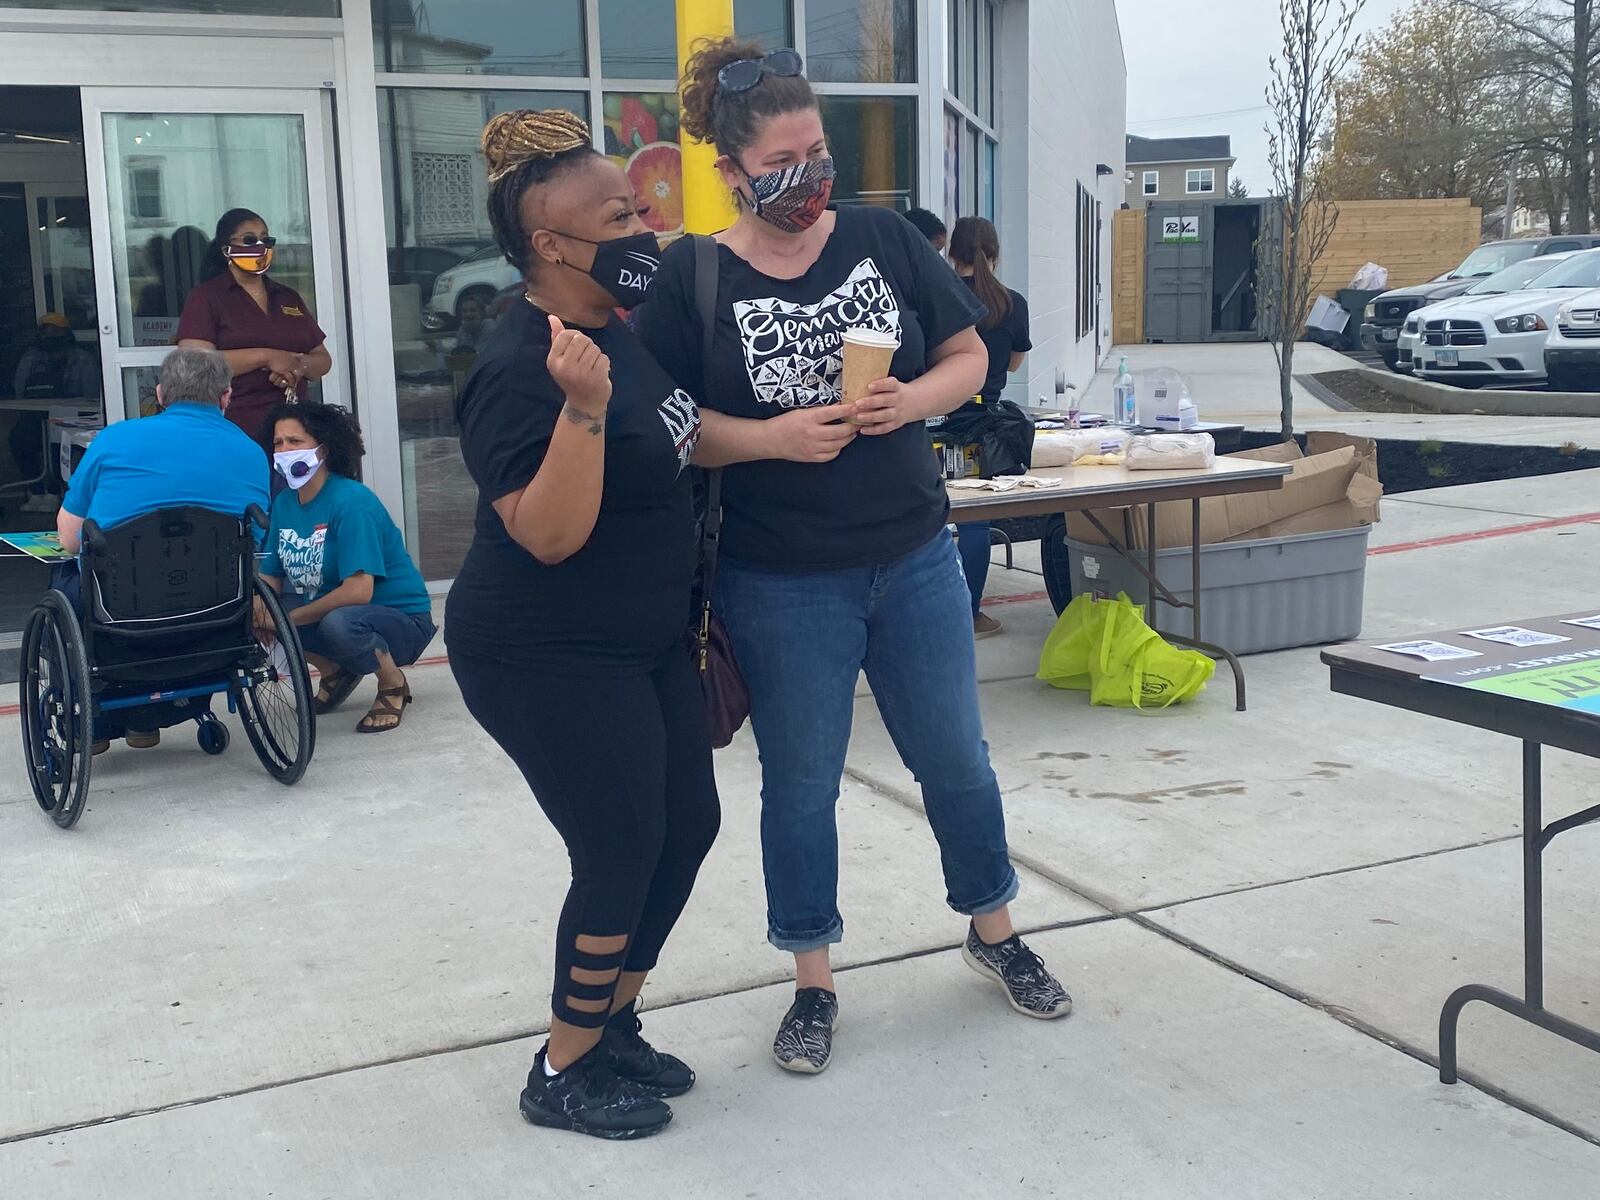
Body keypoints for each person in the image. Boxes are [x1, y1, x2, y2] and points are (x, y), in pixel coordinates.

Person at [635, 39, 1071, 1078]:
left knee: (955, 763)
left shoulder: (878, 238)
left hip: (913, 554)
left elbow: (971, 355)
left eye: (818, 151)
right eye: (784, 161)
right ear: (732, 171)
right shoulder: (694, 274)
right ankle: (813, 979)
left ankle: (993, 930)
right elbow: (669, 423)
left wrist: (909, 401)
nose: (811, 177)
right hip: (779, 575)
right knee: (800, 787)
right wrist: (767, 438)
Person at [446, 109, 719, 1140]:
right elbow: (549, 535)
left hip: (638, 642)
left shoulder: (615, 330)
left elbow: (685, 438)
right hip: (541, 654)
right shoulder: (519, 369)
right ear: (552, 244)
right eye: (620, 214)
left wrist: (788, 434)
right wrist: (582, 411)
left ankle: (609, 1021)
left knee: (684, 829)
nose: (645, 226)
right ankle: (560, 1068)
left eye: (640, 206)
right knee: (618, 845)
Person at [55, 347, 269, 751]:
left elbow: (69, 539)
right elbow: (255, 539)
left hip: (120, 616)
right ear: (226, 397)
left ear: (160, 394)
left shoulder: (115, 439)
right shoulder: (252, 453)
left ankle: (99, 721)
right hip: (217, 615)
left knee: (66, 583)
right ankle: (151, 718)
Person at [257, 401, 434, 735]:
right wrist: (259, 611)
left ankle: (392, 684)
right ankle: (335, 671)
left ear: (323, 450)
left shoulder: (351, 502)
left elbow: (358, 591)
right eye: (278, 443)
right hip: (337, 614)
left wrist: (285, 620)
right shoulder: (284, 503)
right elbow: (272, 572)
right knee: (258, 612)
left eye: (295, 442)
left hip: (399, 620)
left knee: (339, 623)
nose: (284, 451)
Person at [177, 208, 333, 442]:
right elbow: (195, 363)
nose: (260, 246)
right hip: (235, 425)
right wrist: (267, 357)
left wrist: (297, 366)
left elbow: (322, 358)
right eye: (250, 240)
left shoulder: (287, 296)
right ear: (226, 250)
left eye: (266, 239)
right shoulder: (207, 296)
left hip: (294, 429)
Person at [948, 215, 1032, 639]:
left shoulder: (933, 297)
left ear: (950, 253)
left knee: (923, 520)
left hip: (930, 421)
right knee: (974, 521)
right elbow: (1015, 362)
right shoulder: (1012, 303)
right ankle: (969, 614)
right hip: (981, 426)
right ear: (995, 257)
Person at [10, 314, 100, 513]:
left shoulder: (82, 358)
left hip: (72, 417)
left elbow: (91, 395)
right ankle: (35, 490)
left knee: (56, 441)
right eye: (44, 331)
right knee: (18, 439)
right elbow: (19, 389)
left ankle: (54, 492)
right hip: (36, 415)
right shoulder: (31, 357)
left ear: (66, 333)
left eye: (55, 331)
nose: (49, 335)